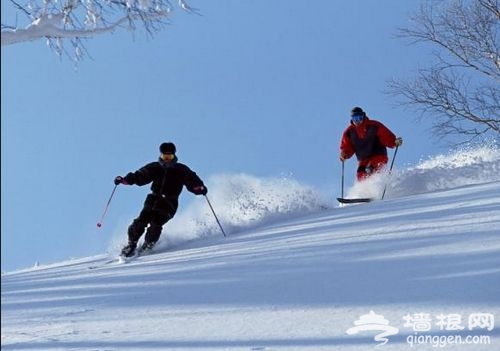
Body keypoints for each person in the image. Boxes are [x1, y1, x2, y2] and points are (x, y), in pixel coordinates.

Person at [114, 142, 207, 257]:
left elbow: (193, 181)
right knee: (140, 221)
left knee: (156, 224)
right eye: (165, 157)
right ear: (161, 156)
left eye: (170, 157)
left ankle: (148, 244)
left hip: (169, 203)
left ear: (174, 156)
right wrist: (124, 180)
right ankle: (131, 244)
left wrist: (199, 188)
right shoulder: (154, 167)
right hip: (153, 199)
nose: (167, 160)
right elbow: (139, 176)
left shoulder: (181, 170)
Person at [340, 107, 403, 181]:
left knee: (370, 169)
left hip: (378, 155)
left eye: (359, 118)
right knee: (360, 174)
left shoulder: (374, 125)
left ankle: (381, 185)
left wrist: (394, 142)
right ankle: (365, 190)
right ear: (352, 119)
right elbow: (347, 146)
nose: (357, 121)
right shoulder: (349, 132)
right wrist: (345, 154)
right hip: (363, 159)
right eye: (355, 119)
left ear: (363, 116)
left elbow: (385, 136)